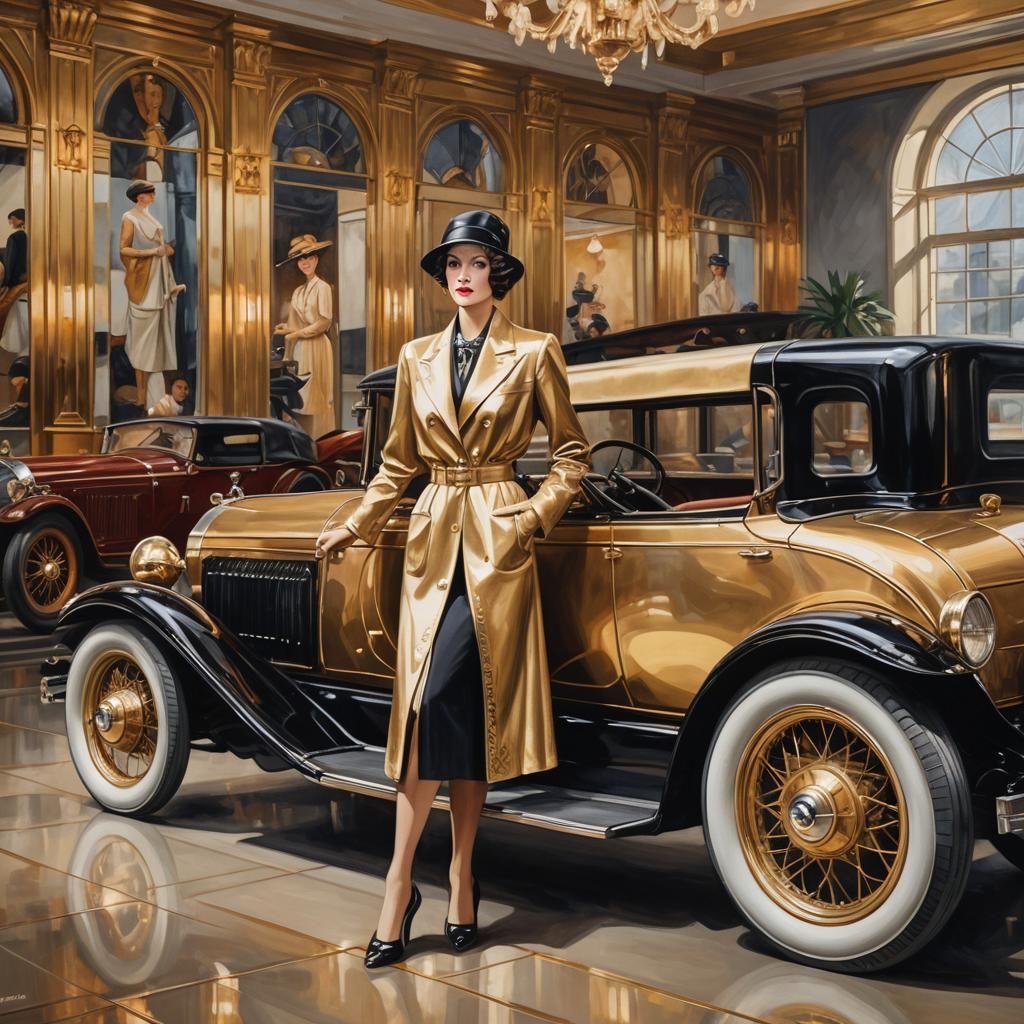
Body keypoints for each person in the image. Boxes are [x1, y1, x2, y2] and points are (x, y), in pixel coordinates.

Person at [315, 210, 591, 968]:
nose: (462, 274)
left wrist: (529, 518)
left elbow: (572, 456)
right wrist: (357, 522)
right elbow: (398, 463)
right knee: (438, 712)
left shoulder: (536, 350)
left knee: (456, 706)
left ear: (498, 272)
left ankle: (448, 872)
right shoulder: (415, 357)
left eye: (477, 261)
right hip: (435, 539)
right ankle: (410, 881)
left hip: (498, 539)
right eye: (452, 263)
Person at [120, 181, 185, 406]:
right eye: (150, 192)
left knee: (158, 343)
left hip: (159, 281)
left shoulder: (149, 216)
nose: (154, 195)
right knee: (142, 344)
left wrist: (170, 280)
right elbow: (124, 248)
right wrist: (154, 252)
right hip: (144, 283)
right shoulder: (130, 217)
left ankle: (158, 398)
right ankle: (141, 395)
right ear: (140, 197)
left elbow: (163, 253)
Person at [274, 234, 335, 439]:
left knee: (317, 398)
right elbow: (295, 324)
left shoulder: (323, 288)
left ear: (316, 259)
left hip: (317, 347)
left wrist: (297, 333)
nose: (305, 262)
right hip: (301, 349)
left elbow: (324, 321)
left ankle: (321, 440)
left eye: (309, 257)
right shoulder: (298, 292)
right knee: (300, 398)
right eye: (301, 259)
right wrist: (285, 329)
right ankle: (303, 441)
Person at [0, 208, 28, 355]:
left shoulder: (14, 238)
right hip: (24, 276)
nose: (11, 222)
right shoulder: (27, 236)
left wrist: (8, 282)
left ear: (20, 220)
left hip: (15, 278)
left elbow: (10, 262)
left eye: (12, 219)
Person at [698, 252, 737, 316]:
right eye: (714, 265)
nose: (716, 268)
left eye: (719, 266)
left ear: (724, 268)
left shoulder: (730, 288)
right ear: (710, 268)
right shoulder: (705, 294)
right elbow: (703, 315)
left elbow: (732, 308)